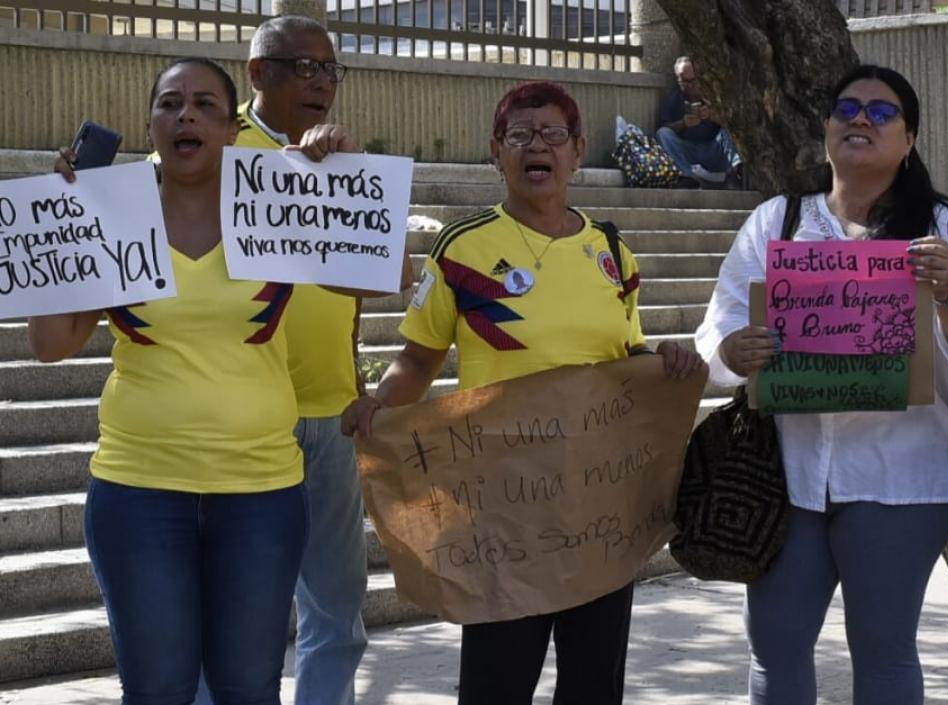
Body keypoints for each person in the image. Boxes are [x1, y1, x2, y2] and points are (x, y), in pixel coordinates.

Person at [341, 80, 705, 705]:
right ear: (496, 153)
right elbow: (418, 359)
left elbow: (626, 362)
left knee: (594, 687)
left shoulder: (612, 253)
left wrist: (664, 361)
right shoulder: (462, 248)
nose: (538, 147)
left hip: (600, 514)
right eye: (520, 136)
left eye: (553, 135)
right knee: (496, 686)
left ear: (578, 151)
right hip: (502, 514)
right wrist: (381, 406)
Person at [694, 64, 948, 705]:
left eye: (882, 112)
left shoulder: (946, 229)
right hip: (788, 472)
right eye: (848, 108)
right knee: (775, 648)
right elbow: (720, 325)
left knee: (883, 650)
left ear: (910, 138)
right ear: (828, 127)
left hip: (904, 476)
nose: (861, 119)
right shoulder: (777, 221)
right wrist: (733, 347)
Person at [32, 57, 308, 705]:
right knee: (157, 690)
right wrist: (60, 223)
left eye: (206, 104)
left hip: (262, 493)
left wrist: (342, 170)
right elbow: (50, 343)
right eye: (170, 103)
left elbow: (381, 274)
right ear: (151, 126)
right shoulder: (112, 213)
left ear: (234, 129)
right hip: (138, 492)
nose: (186, 114)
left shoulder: (281, 206)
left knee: (248, 689)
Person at [201, 16, 371, 705]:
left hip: (332, 414)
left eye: (331, 70)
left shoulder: (338, 159)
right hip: (242, 418)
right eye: (306, 68)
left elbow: (378, 272)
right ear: (257, 73)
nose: (323, 83)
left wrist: (341, 171)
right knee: (239, 617)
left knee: (337, 612)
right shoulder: (212, 143)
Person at [656, 56, 743, 188]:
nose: (690, 86)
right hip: (688, 149)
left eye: (693, 81)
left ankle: (734, 173)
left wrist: (712, 116)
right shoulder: (674, 98)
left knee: (729, 131)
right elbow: (664, 128)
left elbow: (733, 122)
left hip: (713, 148)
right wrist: (682, 123)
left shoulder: (714, 95)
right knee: (663, 134)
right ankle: (686, 176)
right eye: (684, 81)